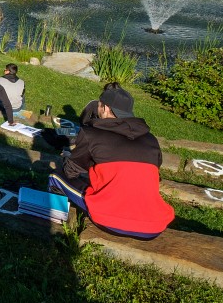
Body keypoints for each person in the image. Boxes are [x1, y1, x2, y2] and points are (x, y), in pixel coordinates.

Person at [49, 88, 174, 239]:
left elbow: (70, 171)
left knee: (55, 176)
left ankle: (55, 222)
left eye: (99, 105)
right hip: (154, 226)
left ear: (106, 108)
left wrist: (70, 157)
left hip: (110, 220)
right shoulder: (151, 140)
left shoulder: (91, 134)